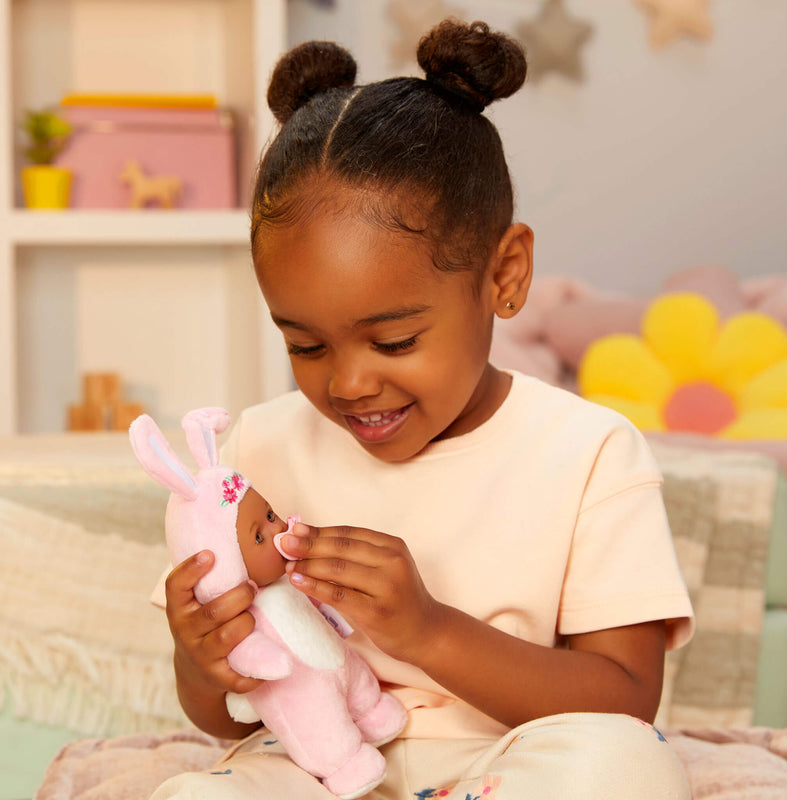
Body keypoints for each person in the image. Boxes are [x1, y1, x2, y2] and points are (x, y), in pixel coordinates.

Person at [151, 18, 694, 800]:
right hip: (318, 769)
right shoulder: (252, 454)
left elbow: (625, 701)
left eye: (395, 341)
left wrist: (428, 631)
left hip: (507, 770)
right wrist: (202, 662)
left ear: (505, 275)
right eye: (306, 346)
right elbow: (230, 720)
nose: (347, 386)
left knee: (627, 768)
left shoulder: (588, 452)